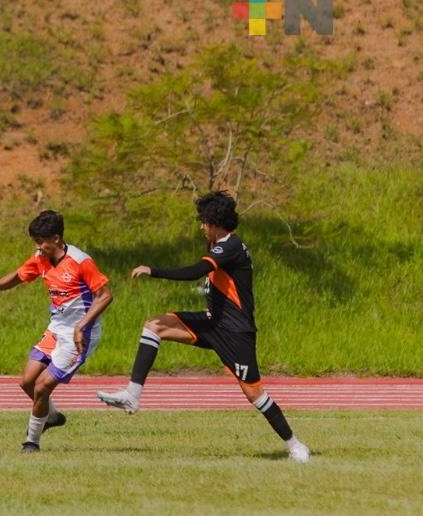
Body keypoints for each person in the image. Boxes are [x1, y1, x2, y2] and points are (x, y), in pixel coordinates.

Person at [97, 190, 311, 463]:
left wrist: (154, 270)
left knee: (254, 394)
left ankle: (294, 445)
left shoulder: (230, 246)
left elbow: (196, 271)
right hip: (213, 322)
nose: (201, 226)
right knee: (154, 325)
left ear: (215, 224)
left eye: (204, 222)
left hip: (235, 332)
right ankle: (132, 394)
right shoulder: (217, 244)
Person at [0, 210, 113, 452]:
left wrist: (82, 325)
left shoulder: (81, 262)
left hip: (80, 336)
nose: (38, 248)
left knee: (42, 387)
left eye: (41, 242)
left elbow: (105, 296)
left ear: (57, 239)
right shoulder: (41, 258)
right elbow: (19, 275)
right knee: (27, 382)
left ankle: (32, 443)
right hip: (56, 328)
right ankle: (52, 416)